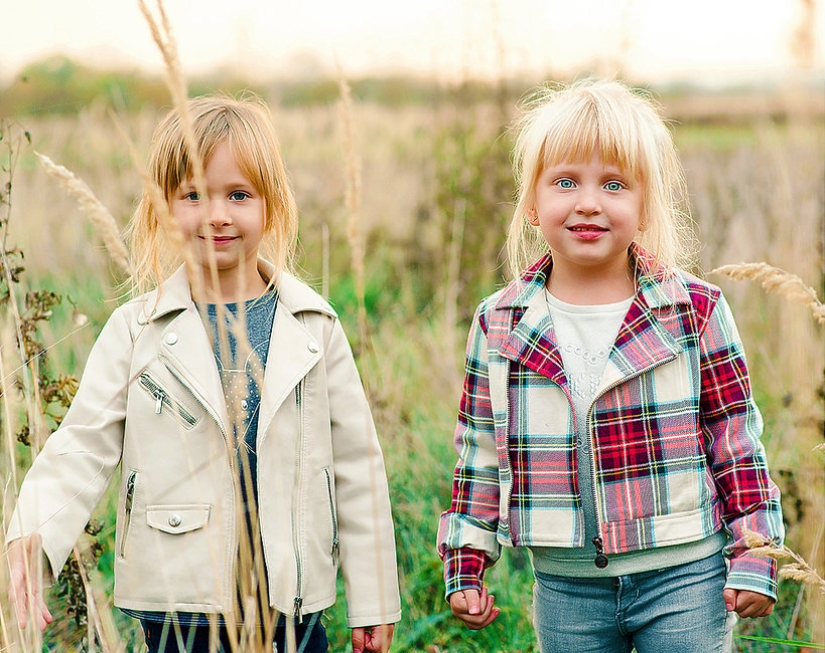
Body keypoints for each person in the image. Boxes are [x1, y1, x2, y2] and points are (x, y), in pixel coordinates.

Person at [6, 94, 400, 653]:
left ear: (271, 205)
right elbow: (82, 443)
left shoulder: (313, 327)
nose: (217, 215)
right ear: (162, 209)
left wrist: (374, 599)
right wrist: (34, 532)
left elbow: (359, 465)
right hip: (179, 605)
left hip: (290, 603)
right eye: (192, 196)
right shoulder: (135, 330)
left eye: (238, 195)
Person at [436, 78, 784, 652]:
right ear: (531, 203)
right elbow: (479, 450)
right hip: (566, 587)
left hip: (686, 579)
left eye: (614, 184)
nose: (589, 202)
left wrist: (755, 552)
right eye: (565, 182)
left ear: (645, 205)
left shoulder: (691, 310)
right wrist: (466, 559)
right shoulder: (500, 322)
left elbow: (735, 439)